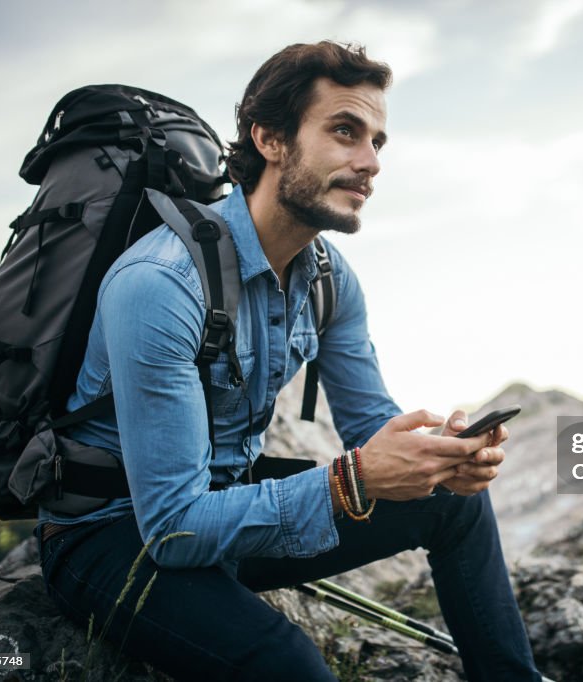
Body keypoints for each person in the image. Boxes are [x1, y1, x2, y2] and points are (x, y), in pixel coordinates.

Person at [34, 41, 542, 681]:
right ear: (270, 139)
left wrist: (442, 453)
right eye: (344, 132)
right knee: (292, 665)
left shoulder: (331, 279)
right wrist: (349, 482)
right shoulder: (159, 285)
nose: (370, 162)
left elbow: (369, 423)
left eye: (378, 142)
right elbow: (173, 528)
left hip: (227, 499)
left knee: (454, 502)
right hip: (113, 533)